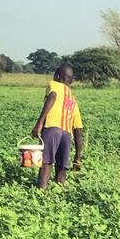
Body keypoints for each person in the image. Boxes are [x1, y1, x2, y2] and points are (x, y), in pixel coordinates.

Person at [31, 61, 84, 189]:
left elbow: (52, 96)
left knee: (46, 162)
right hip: (66, 134)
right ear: (70, 80)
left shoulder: (53, 84)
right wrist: (78, 158)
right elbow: (78, 131)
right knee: (62, 166)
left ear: (58, 76)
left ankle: (41, 193)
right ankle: (59, 193)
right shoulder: (72, 98)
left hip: (52, 129)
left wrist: (39, 123)